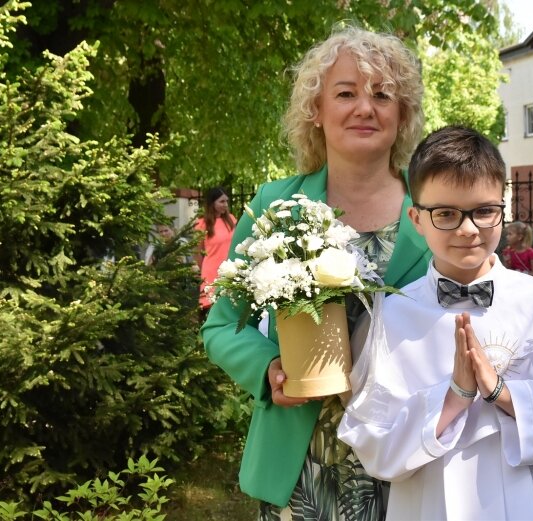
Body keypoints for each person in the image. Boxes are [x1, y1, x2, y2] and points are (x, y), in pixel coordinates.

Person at [337, 126, 533, 520]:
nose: (468, 229)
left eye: (484, 211)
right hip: (427, 505)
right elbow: (372, 445)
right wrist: (453, 397)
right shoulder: (390, 317)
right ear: (416, 219)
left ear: (503, 209)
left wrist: (505, 395)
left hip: (531, 503)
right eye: (446, 214)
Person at [200, 26, 430, 519]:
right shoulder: (275, 207)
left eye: (383, 95)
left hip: (411, 462)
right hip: (298, 467)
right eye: (345, 93)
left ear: (403, 113)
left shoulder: (435, 209)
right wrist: (266, 369)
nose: (365, 108)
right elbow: (221, 326)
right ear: (316, 112)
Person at [194, 187, 236, 312]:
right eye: (222, 202)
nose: (226, 205)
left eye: (226, 201)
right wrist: (203, 272)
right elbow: (198, 252)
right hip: (211, 272)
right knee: (213, 310)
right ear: (212, 203)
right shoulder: (202, 224)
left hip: (230, 271)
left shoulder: (231, 220)